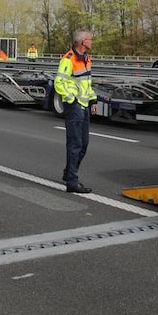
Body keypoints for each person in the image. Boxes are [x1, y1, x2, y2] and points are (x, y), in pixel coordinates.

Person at [55, 29, 97, 194]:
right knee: (75, 144)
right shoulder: (68, 60)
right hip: (74, 107)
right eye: (90, 39)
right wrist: (71, 99)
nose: (91, 41)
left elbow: (86, 83)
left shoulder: (87, 58)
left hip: (84, 106)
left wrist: (92, 100)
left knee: (83, 144)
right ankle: (72, 182)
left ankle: (68, 173)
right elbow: (59, 82)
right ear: (82, 42)